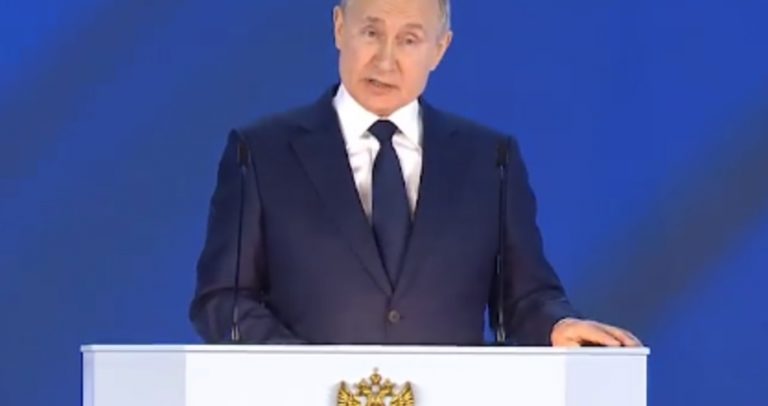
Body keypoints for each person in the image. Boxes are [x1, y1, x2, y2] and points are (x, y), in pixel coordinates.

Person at [189, 0, 641, 347]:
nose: (385, 60)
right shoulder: (261, 152)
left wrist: (556, 326)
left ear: (439, 49)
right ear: (339, 27)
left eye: (409, 40)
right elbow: (222, 299)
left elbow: (524, 298)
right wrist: (306, 373)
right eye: (371, 32)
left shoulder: (490, 160)